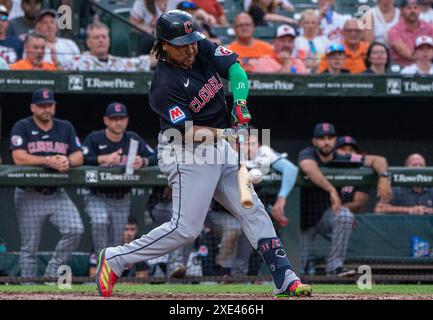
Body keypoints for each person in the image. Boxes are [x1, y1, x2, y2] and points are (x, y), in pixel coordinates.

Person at [95, 10, 311, 298]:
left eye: (192, 41)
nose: (191, 49)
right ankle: (116, 258)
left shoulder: (201, 47)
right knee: (185, 229)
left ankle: (284, 276)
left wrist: (240, 101)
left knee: (253, 209)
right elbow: (186, 132)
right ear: (164, 45)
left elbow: (236, 70)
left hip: (219, 145)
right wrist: (226, 134)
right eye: (183, 45)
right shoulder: (163, 86)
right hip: (185, 150)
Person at [298, 123, 392, 276]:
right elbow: (308, 168)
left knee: (345, 216)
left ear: (335, 140)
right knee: (296, 268)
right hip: (301, 220)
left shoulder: (343, 157)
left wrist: (383, 176)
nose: (326, 141)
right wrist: (331, 189)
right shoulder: (308, 153)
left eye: (330, 137)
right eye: (321, 138)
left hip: (325, 215)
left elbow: (377, 160)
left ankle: (335, 267)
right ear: (315, 141)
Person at [9, 88, 84, 279]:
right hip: (29, 194)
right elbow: (18, 157)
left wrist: (68, 161)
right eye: (42, 106)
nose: (47, 109)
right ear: (33, 107)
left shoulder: (64, 127)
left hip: (56, 193)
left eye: (50, 105)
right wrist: (48, 160)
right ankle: (27, 288)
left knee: (76, 229)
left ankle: (52, 270)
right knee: (29, 247)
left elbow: (78, 155)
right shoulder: (22, 126)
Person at [82, 102, 156, 258]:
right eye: (114, 118)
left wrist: (143, 161)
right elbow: (79, 158)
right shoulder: (95, 138)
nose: (118, 122)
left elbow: (155, 155)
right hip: (98, 196)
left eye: (121, 118)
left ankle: (106, 272)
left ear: (127, 120)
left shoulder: (133, 139)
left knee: (116, 243)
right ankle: (100, 260)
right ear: (106, 120)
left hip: (122, 199)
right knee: (100, 221)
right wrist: (100, 159)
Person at [246, 130, 298, 227]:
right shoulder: (232, 154)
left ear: (258, 145)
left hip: (256, 201)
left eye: (252, 144)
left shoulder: (263, 151)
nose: (249, 148)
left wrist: (280, 200)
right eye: (245, 143)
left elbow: (291, 169)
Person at [63, 22, 153, 72]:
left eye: (104, 37)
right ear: (88, 42)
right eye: (96, 37)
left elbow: (145, 62)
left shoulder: (118, 63)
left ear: (109, 41)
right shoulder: (75, 63)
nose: (101, 40)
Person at [388, 0, 433, 66]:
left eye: (415, 8)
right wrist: (424, 57)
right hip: (401, 71)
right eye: (408, 8)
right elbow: (403, 51)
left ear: (419, 9)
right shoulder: (394, 31)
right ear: (401, 11)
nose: (413, 11)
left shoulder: (429, 28)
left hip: (428, 68)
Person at [335, 136, 370, 214]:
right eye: (343, 149)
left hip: (349, 216)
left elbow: (357, 205)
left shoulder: (362, 173)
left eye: (351, 150)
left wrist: (337, 209)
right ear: (335, 152)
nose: (347, 153)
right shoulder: (326, 167)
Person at [295, 9, 330, 73]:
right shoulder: (296, 41)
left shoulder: (325, 41)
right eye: (307, 23)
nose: (310, 26)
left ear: (317, 24)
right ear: (301, 24)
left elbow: (330, 60)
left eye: (313, 22)